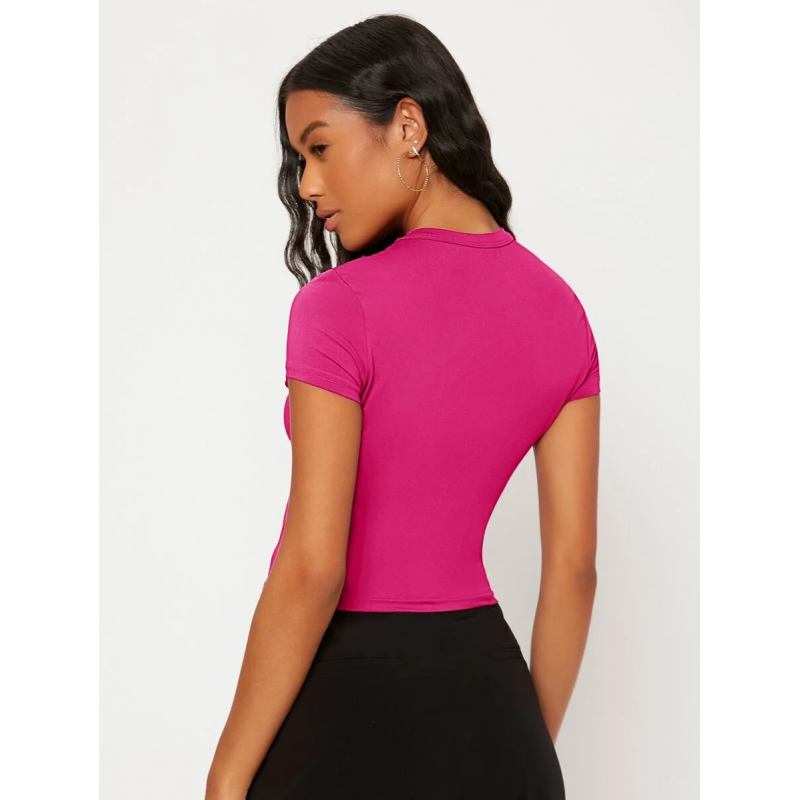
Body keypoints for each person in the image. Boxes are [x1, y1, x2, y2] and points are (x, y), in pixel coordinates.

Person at [206, 13, 600, 800]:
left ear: (409, 126)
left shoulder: (339, 305)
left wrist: (225, 779)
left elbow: (313, 568)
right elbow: (574, 570)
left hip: (345, 708)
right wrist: (524, 747)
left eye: (319, 148)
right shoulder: (562, 311)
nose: (307, 184)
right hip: (490, 703)